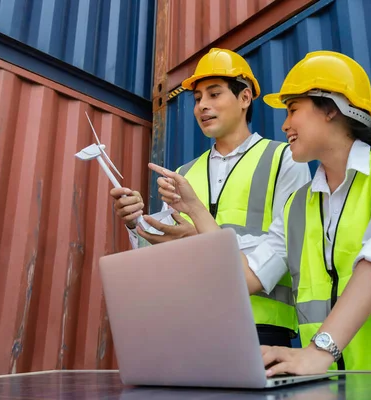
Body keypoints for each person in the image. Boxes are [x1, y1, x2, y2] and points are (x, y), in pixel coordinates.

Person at [148, 50, 371, 376]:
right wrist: (195, 210)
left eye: (293, 110)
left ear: (331, 108)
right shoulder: (297, 207)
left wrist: (318, 351)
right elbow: (245, 277)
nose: (285, 124)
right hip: (342, 385)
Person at [110, 48, 312, 348]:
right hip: (193, 324)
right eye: (197, 98)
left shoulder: (285, 159)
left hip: (262, 328)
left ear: (245, 98)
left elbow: (285, 245)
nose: (202, 106)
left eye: (214, 94)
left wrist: (199, 239)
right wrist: (137, 222)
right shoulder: (183, 173)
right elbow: (166, 254)